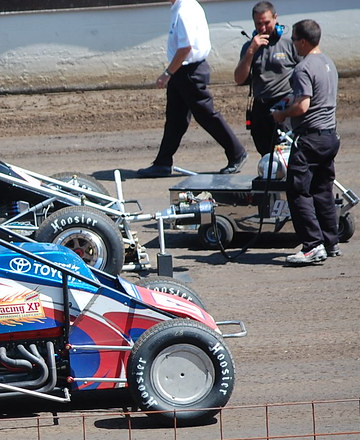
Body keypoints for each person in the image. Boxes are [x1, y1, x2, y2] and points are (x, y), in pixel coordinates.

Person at [138, 0, 248, 178]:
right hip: (182, 70)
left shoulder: (185, 10)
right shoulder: (184, 7)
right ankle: (163, 163)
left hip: (189, 71)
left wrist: (167, 73)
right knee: (175, 119)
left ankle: (237, 152)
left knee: (206, 115)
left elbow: (185, 47)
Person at [272, 20, 340, 266]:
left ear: (302, 41)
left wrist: (282, 114)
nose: (291, 43)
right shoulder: (328, 62)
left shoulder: (303, 68)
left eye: (293, 38)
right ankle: (331, 241)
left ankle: (312, 245)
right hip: (330, 135)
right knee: (322, 189)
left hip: (310, 137)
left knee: (298, 190)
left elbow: (303, 105)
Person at [233, 2, 298, 154]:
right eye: (258, 24)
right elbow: (239, 79)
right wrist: (251, 51)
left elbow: (305, 73)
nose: (262, 28)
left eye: (267, 23)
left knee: (286, 155)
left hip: (284, 104)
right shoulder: (249, 47)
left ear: (275, 18)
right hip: (260, 106)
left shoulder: (289, 43)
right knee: (265, 155)